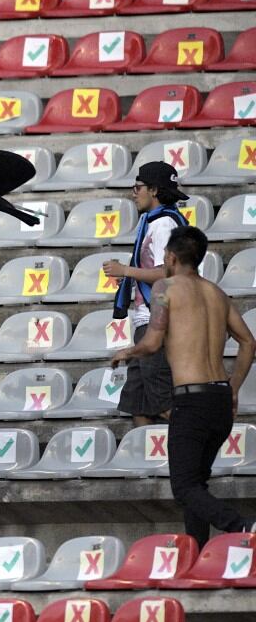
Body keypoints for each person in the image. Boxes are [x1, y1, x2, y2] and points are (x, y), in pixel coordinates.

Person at [112, 226, 256, 547]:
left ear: (170, 257)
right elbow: (249, 342)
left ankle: (244, 526)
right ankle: (197, 553)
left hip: (191, 401)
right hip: (220, 399)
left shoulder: (164, 287)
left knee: (184, 487)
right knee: (196, 485)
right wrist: (233, 387)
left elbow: (152, 342)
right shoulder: (217, 293)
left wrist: (128, 351)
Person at [104, 162, 190, 427]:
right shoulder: (153, 221)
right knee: (137, 402)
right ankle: (147, 453)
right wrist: (130, 275)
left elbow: (169, 273)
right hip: (145, 319)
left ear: (153, 190)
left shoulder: (164, 223)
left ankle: (193, 441)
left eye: (137, 187)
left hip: (159, 320)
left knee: (162, 402)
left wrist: (127, 270)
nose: (133, 193)